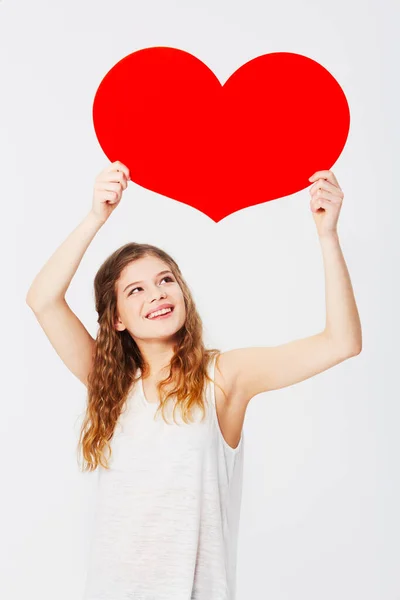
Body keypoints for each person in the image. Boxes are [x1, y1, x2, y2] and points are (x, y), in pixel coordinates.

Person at [26, 160, 362, 599]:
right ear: (117, 321)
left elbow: (342, 342)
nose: (157, 294)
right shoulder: (110, 385)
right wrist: (96, 217)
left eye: (165, 280)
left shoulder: (223, 377)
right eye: (136, 291)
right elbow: (43, 299)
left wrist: (328, 236)